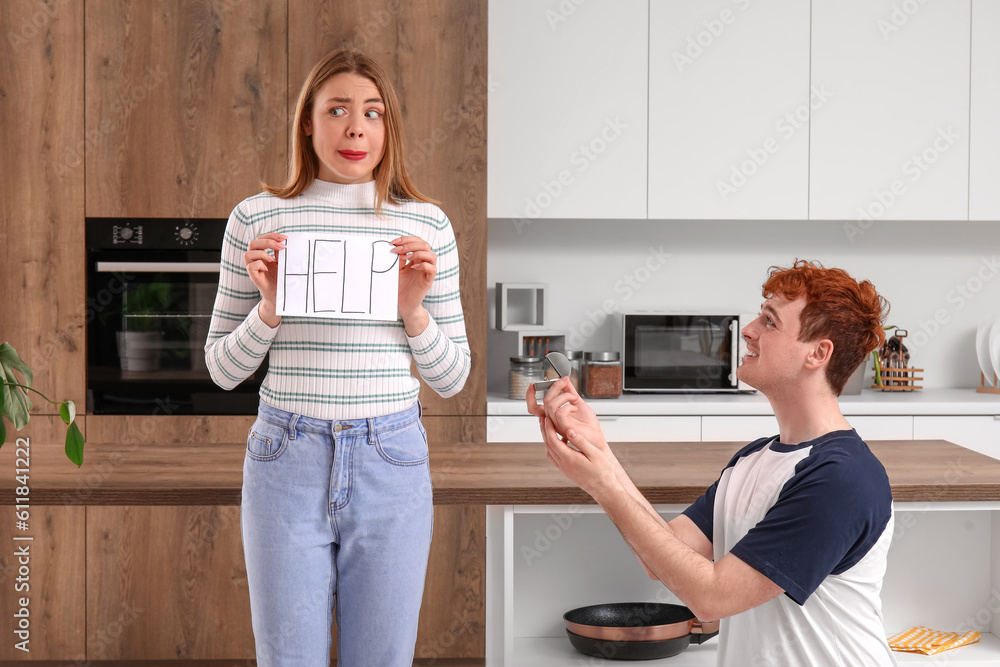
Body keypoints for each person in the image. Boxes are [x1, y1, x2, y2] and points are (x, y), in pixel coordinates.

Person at [205, 49, 470, 666]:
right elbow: (222, 370)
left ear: (389, 128)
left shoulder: (426, 225)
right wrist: (269, 308)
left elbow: (452, 377)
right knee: (287, 657)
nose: (356, 128)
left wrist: (413, 310)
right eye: (338, 110)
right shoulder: (257, 218)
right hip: (285, 458)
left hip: (391, 458)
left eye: (373, 113)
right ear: (307, 122)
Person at [527, 260, 896, 666]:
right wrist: (597, 450)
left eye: (770, 322)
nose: (750, 330)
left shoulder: (841, 478)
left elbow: (712, 596)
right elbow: (661, 558)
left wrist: (603, 484)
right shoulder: (752, 460)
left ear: (817, 353)